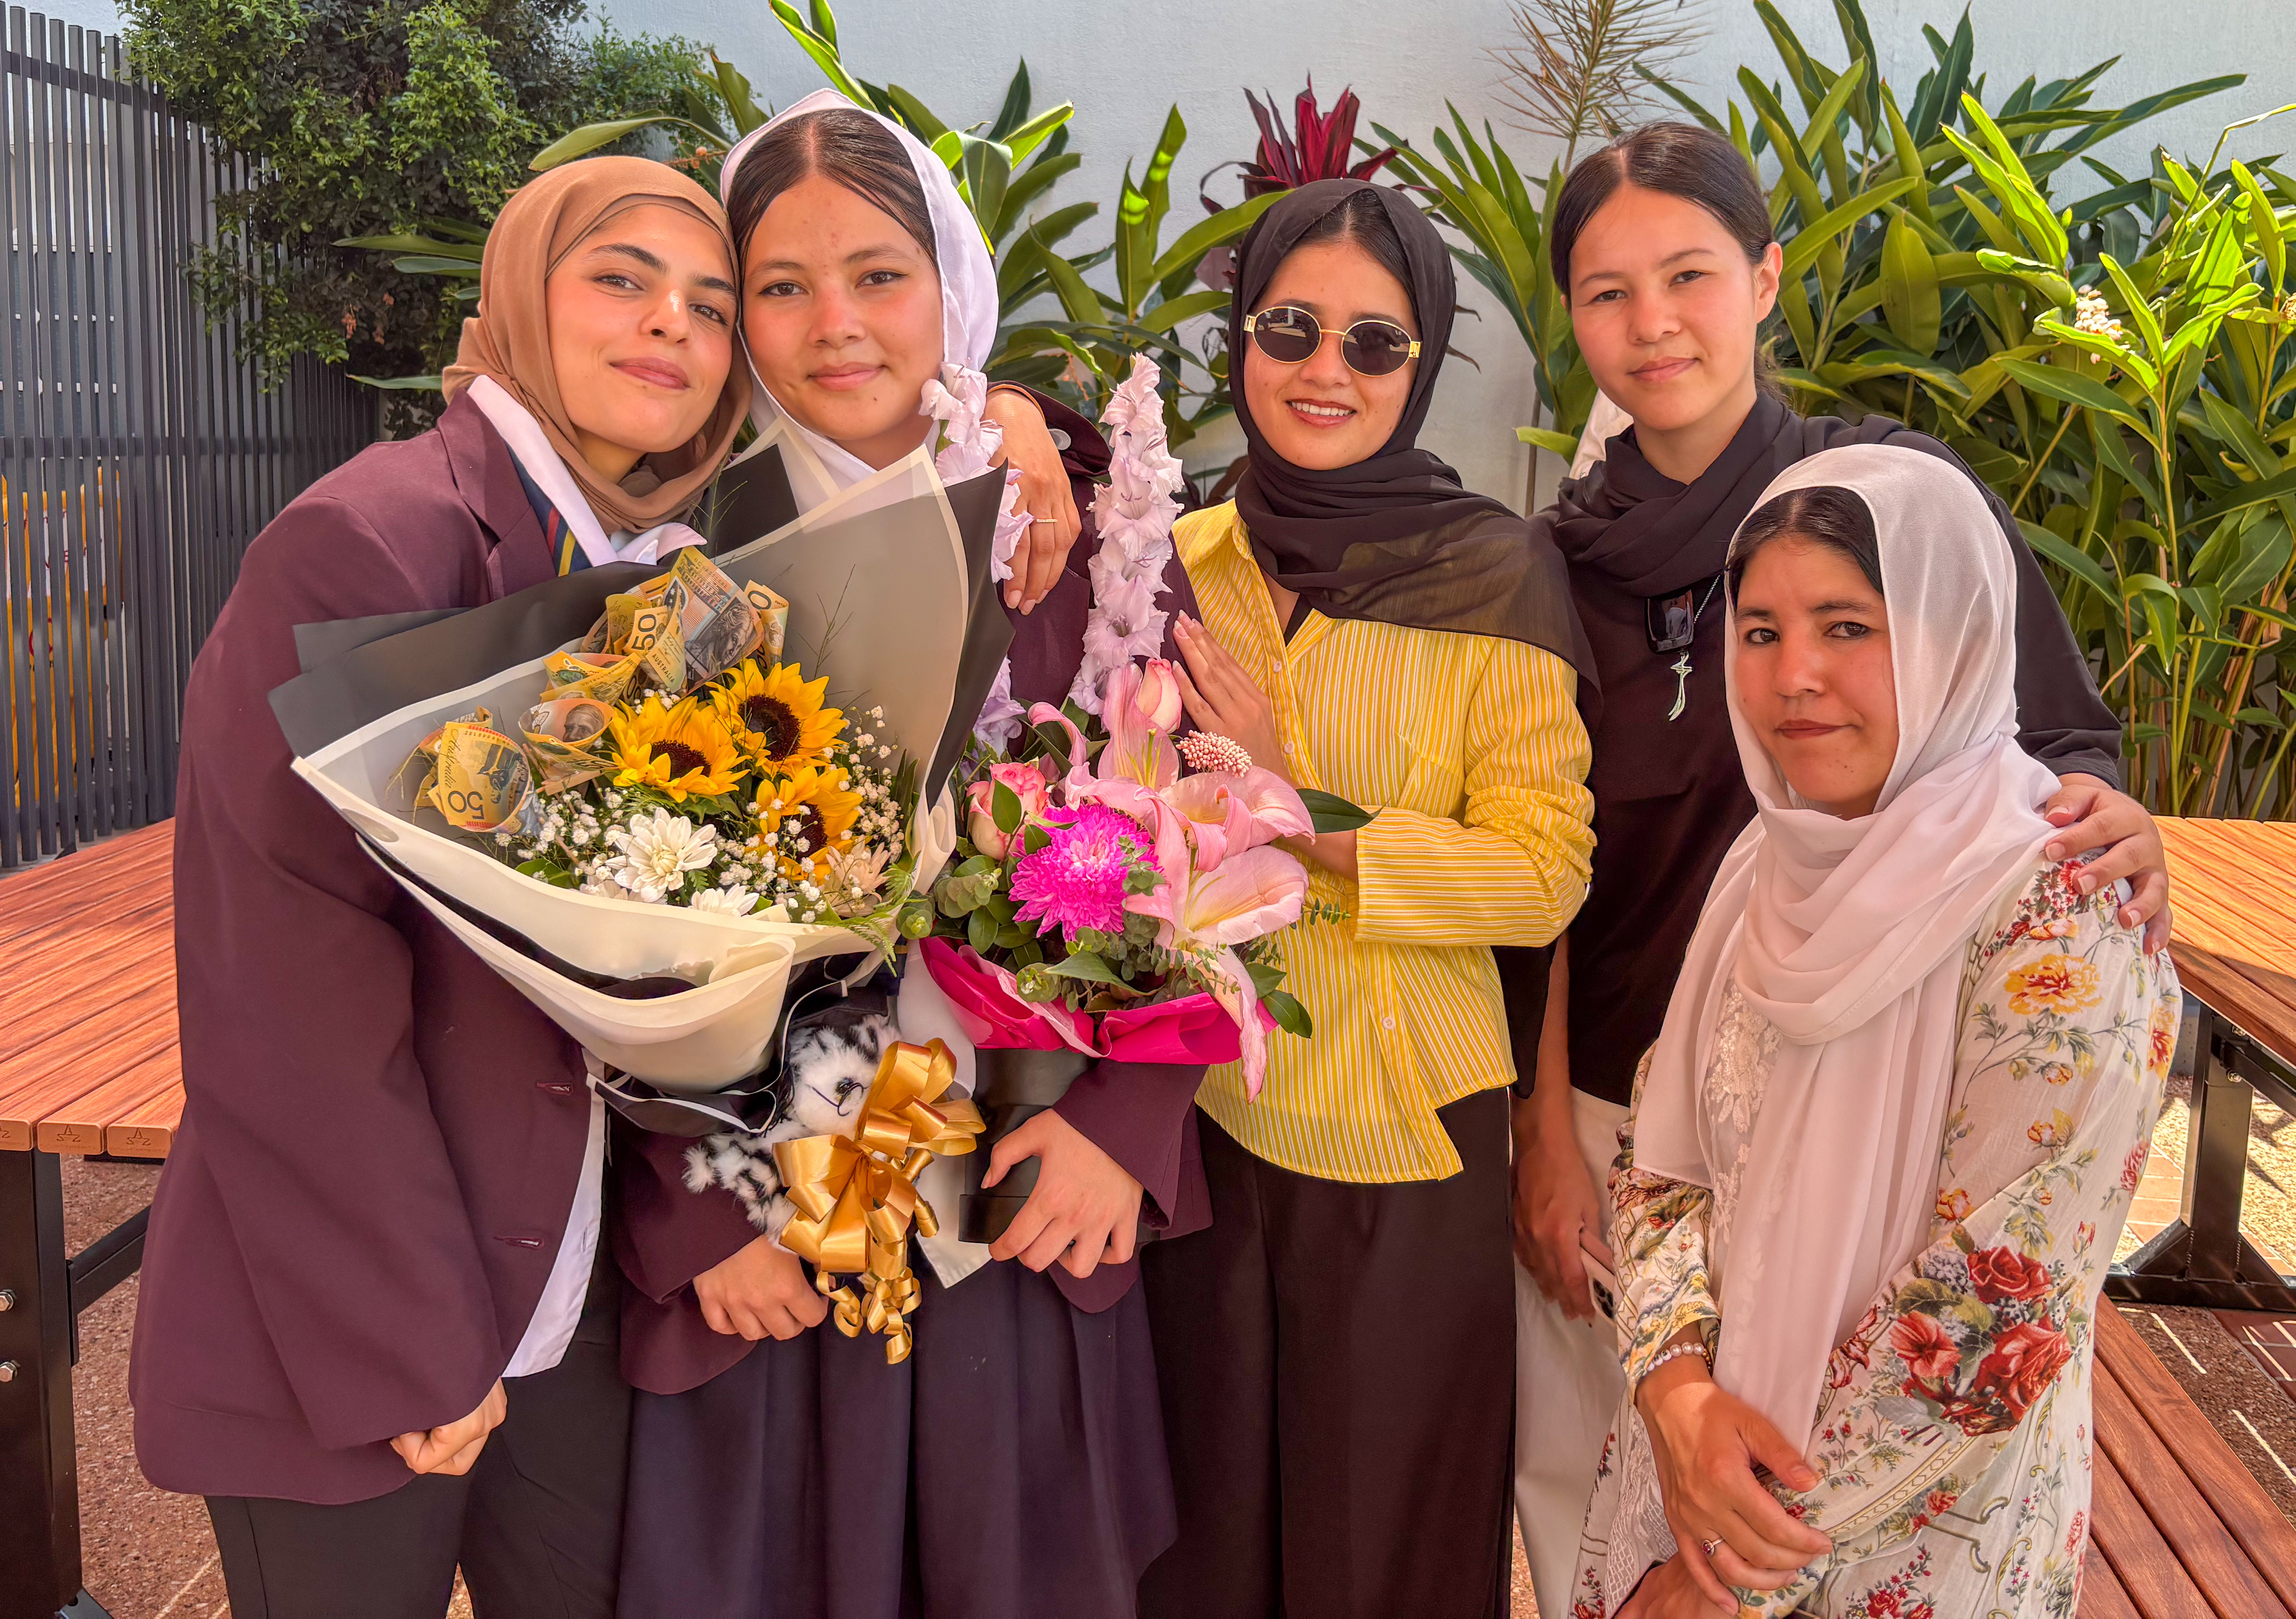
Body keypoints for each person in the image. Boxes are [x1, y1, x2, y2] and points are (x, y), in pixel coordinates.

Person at [1506, 123, 2176, 1619]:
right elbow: (1543, 860)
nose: (1794, 676)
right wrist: (1550, 1138)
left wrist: (2111, 840)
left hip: (1930, 1128)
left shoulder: (1888, 504)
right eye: (1607, 291)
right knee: (1590, 1471)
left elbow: (2050, 740)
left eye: (1687, 274)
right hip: (1660, 1100)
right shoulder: (1555, 567)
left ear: (1763, 280)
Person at [609, 91, 1207, 1618]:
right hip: (776, 1202)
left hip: (1025, 1173)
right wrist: (698, 1212)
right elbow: (613, 911)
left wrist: (1126, 1126)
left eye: (879, 275)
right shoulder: (684, 554)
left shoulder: (1088, 540)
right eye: (782, 286)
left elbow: (1203, 842)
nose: (836, 326)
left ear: (952, 282)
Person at [130, 157, 749, 1618]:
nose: (672, 322)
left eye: (713, 304)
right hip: (357, 1311)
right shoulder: (373, 539)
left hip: (579, 1290)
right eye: (621, 278)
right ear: (517, 295)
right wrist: (408, 1339)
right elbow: (284, 986)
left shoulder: (681, 583)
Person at [1136, 177, 1596, 1619]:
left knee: (1376, 1557)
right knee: (1205, 1541)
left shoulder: (1493, 572)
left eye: (1373, 342)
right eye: (1289, 328)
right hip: (1200, 1122)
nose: (1323, 369)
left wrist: (1308, 810)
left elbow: (1542, 872)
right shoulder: (1186, 554)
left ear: (1421, 360)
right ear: (1241, 337)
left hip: (1401, 1143)